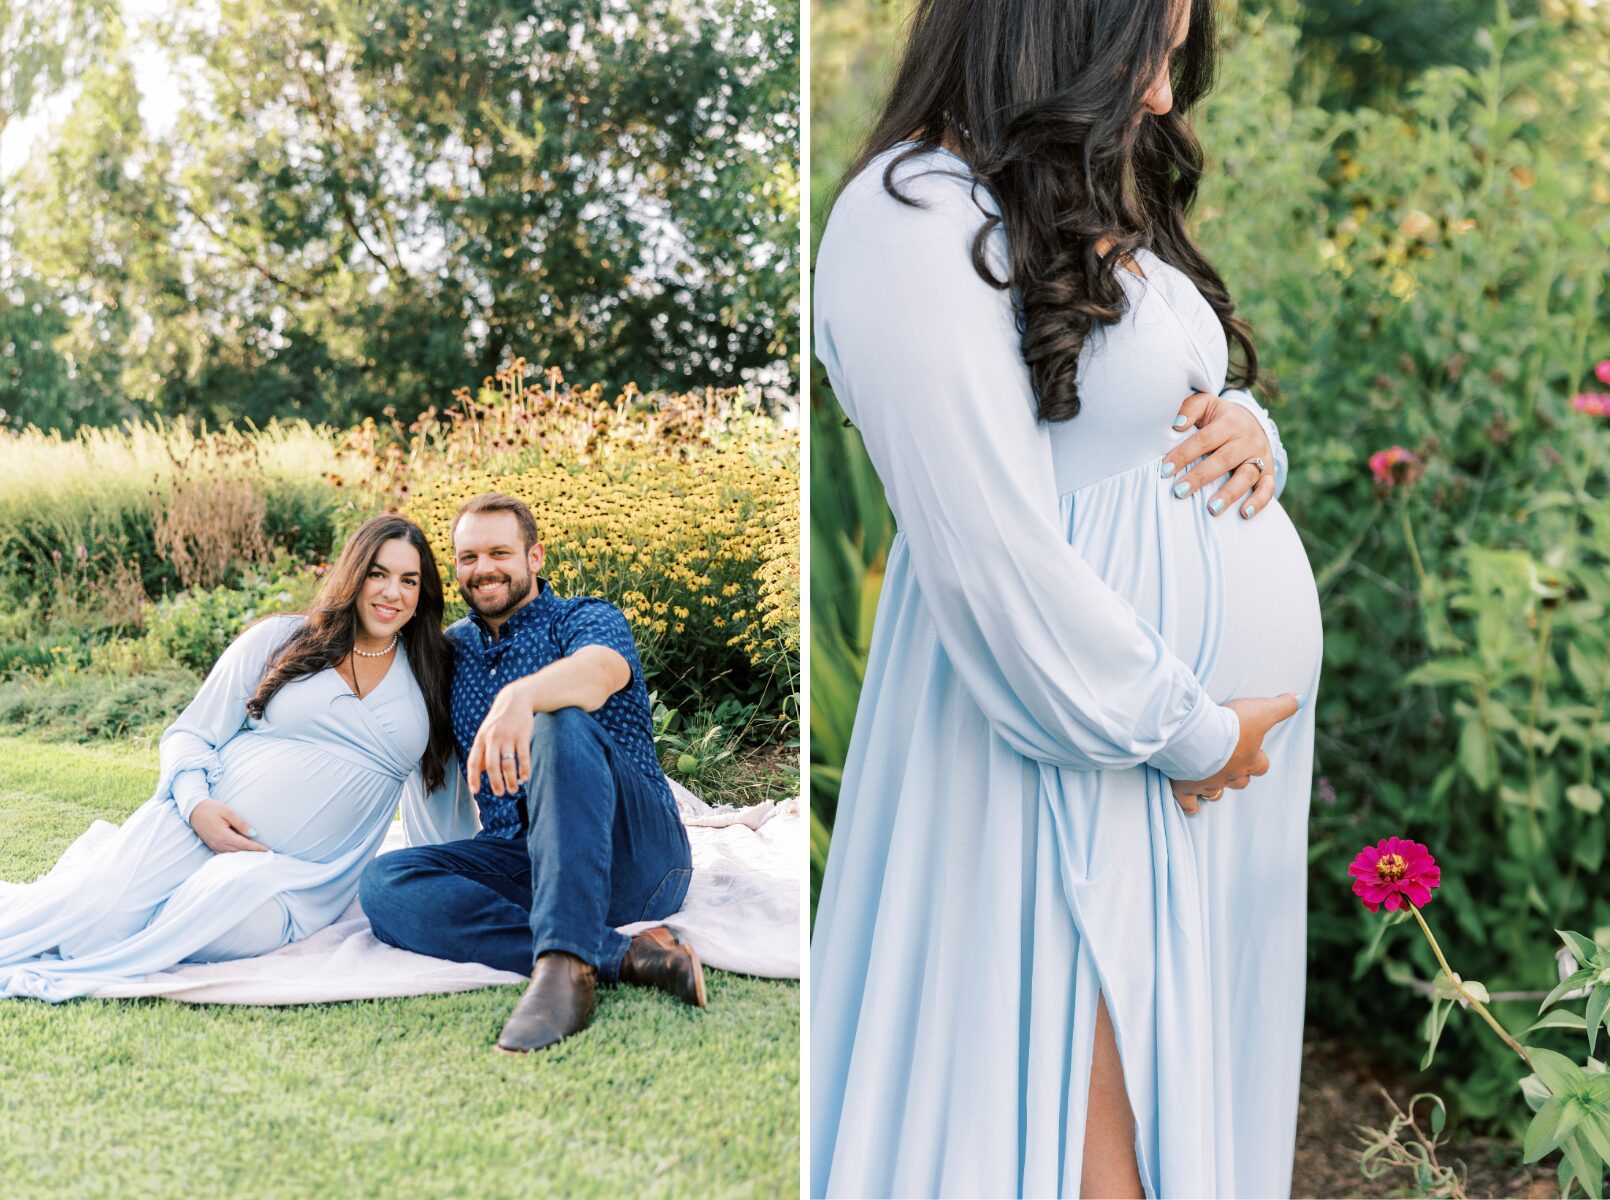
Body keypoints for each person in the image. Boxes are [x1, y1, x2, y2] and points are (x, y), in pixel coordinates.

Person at [810, 0, 1323, 1196]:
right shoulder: (910, 216)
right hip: (1081, 754)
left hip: (1163, 761)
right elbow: (988, 550)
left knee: (1158, 1112)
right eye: (1151, 46)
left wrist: (1255, 436)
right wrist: (1191, 734)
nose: (1158, 96)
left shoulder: (1046, 204)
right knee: (1091, 1141)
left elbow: (1139, 418)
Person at [0, 515, 456, 1003]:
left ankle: (149, 899)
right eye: (378, 574)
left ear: (423, 591)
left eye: (409, 580)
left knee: (220, 921)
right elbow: (190, 733)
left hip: (299, 876)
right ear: (353, 574)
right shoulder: (282, 640)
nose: (392, 592)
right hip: (195, 824)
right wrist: (197, 805)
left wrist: (451, 866)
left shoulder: (431, 670)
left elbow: (439, 792)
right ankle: (107, 894)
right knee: (90, 932)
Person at [360, 493, 703, 1054]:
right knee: (385, 884)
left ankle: (567, 972)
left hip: (635, 857)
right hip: (522, 856)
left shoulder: (586, 618)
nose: (483, 569)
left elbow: (596, 674)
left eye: (500, 552)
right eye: (468, 558)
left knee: (560, 721)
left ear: (535, 557)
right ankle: (623, 955)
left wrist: (522, 696)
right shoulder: (451, 652)